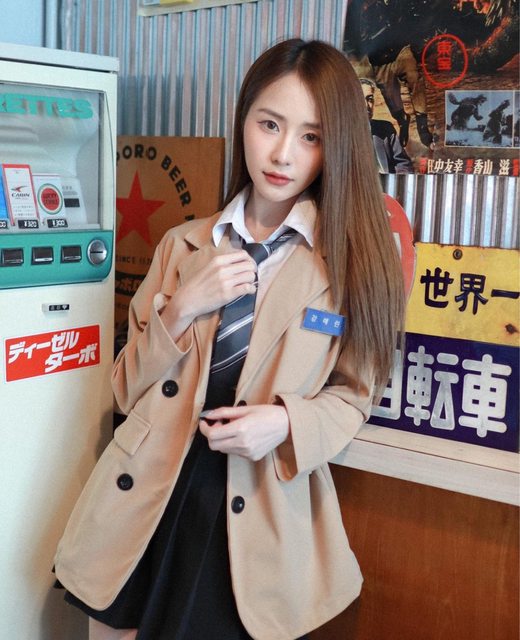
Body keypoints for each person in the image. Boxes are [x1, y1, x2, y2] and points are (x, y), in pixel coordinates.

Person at [54, 39, 405, 640]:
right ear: (244, 120)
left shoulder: (354, 265)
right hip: (144, 498)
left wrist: (286, 422)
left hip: (253, 508)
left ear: (337, 147)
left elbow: (355, 396)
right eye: (269, 124)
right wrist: (182, 308)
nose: (282, 153)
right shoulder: (182, 245)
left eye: (311, 136)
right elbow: (124, 388)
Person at [360, 78, 414, 174]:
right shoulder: (340, 136)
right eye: (360, 99)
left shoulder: (386, 129)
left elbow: (404, 164)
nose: (366, 105)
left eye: (370, 99)